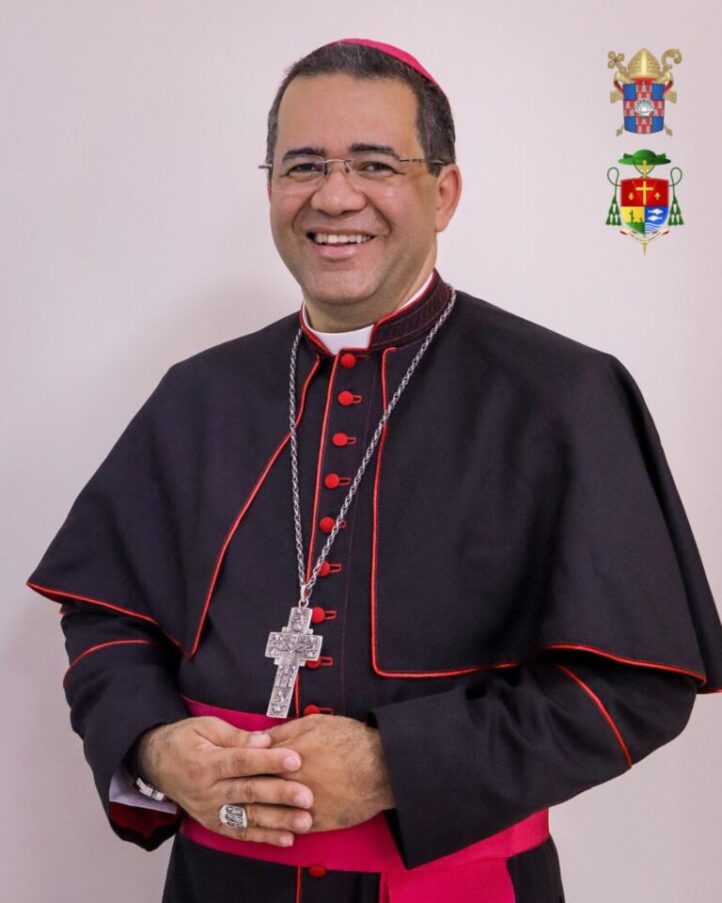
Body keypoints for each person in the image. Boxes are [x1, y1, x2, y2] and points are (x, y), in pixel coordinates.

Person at [27, 37, 722, 903]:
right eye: (303, 165)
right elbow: (106, 620)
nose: (334, 196)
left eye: (375, 164)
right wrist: (153, 744)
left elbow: (636, 683)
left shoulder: (562, 395)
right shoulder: (199, 395)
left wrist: (399, 763)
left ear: (444, 191)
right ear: (271, 188)